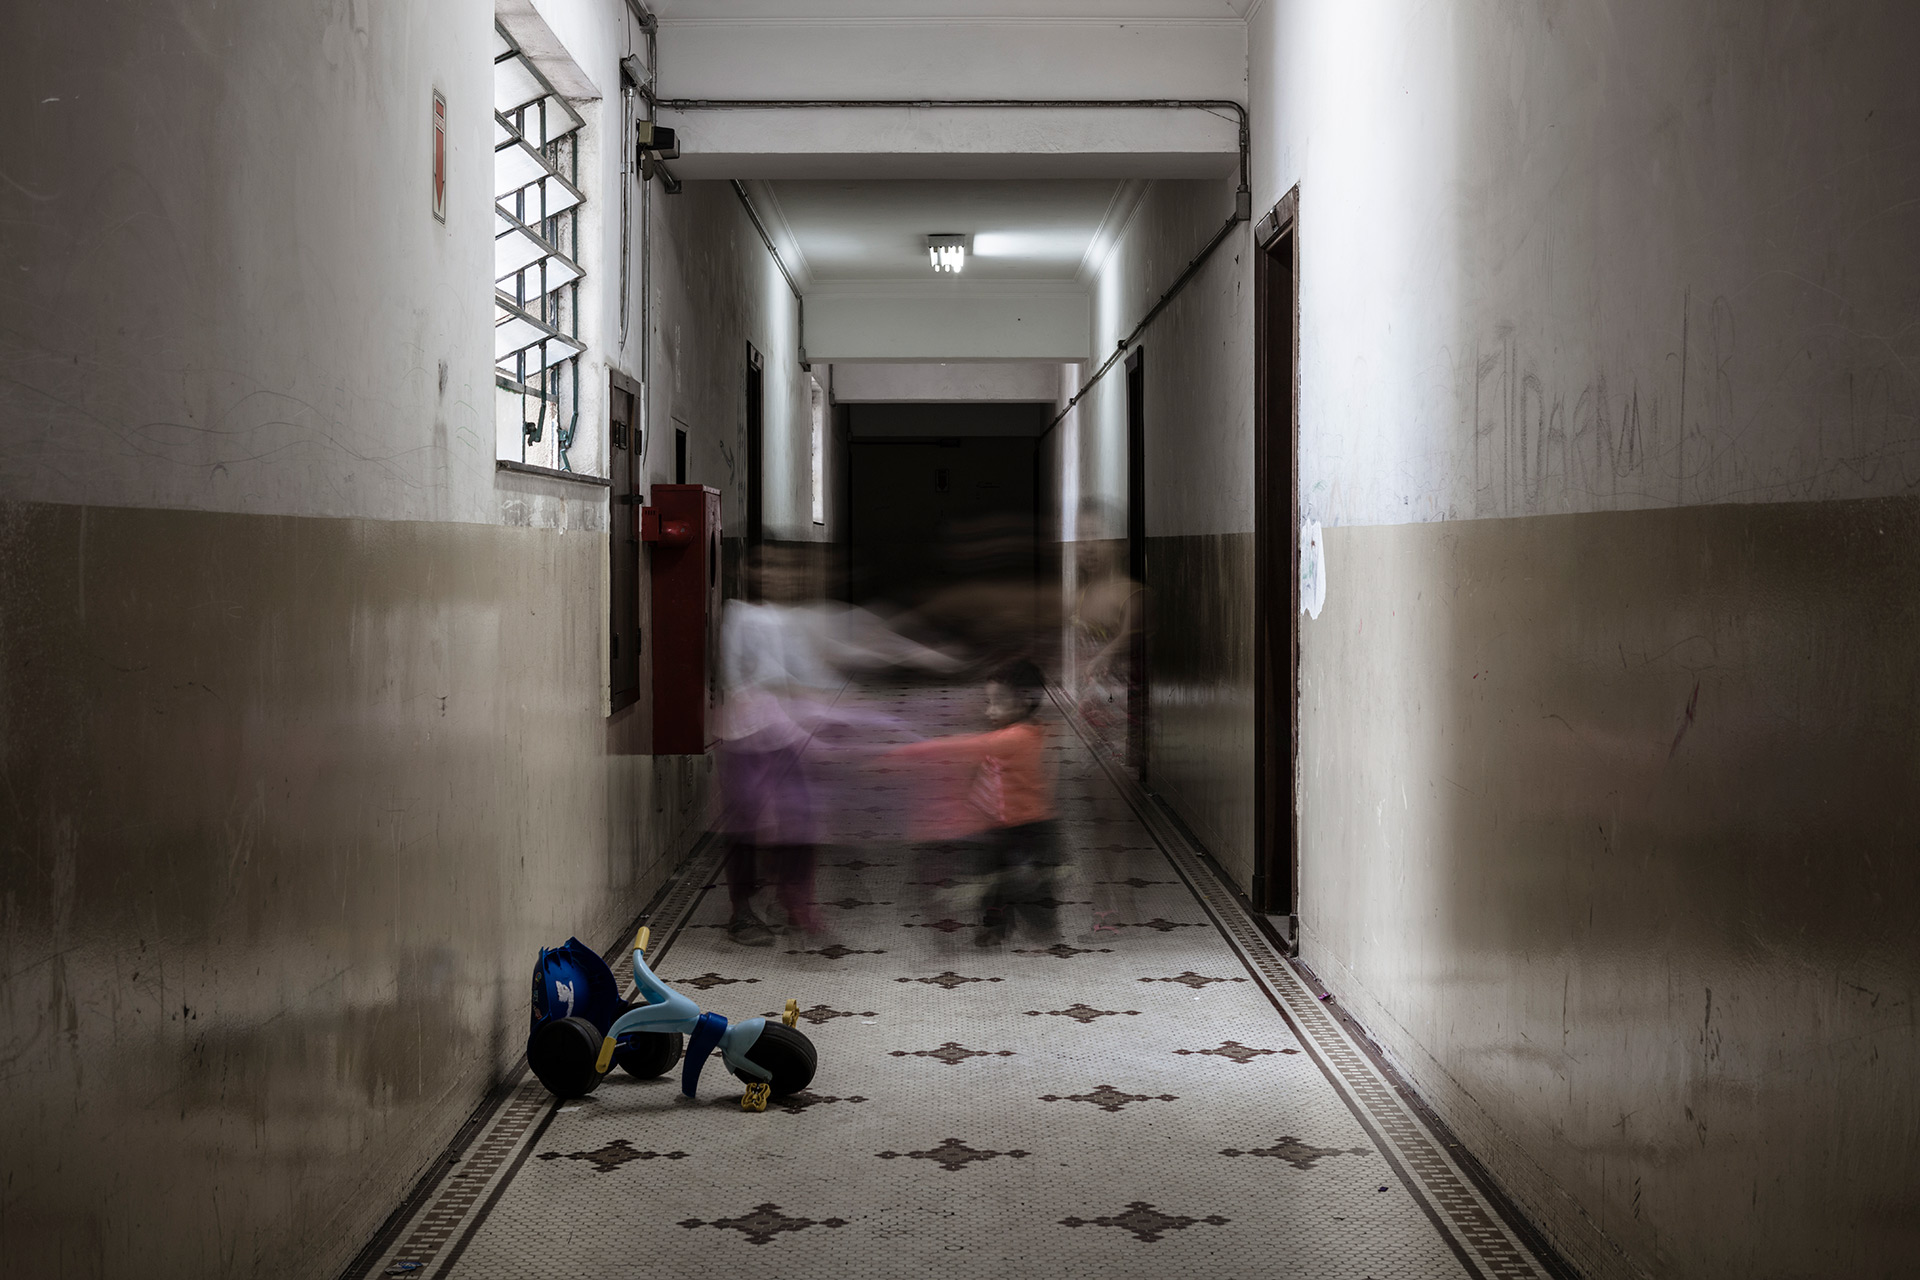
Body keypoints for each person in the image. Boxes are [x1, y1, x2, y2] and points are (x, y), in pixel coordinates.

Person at [891, 659, 1059, 946]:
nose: (989, 710)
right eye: (988, 701)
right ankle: (996, 928)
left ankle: (1044, 930)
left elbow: (969, 746)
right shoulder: (1016, 731)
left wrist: (907, 752)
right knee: (992, 879)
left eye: (997, 703)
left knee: (1029, 885)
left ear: (1024, 701)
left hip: (1028, 829)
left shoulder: (1018, 737)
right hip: (998, 825)